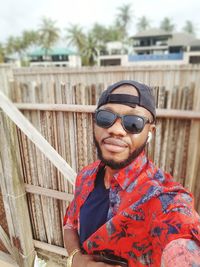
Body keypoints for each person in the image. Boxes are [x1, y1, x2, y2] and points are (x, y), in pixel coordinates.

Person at [63, 80, 200, 267]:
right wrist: (76, 259)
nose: (116, 130)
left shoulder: (164, 200)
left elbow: (181, 241)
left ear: (150, 132)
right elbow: (70, 224)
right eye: (106, 117)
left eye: (133, 123)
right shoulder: (86, 176)